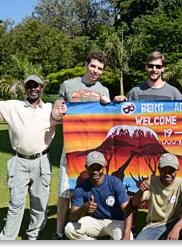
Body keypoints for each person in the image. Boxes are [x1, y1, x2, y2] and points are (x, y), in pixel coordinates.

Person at [0, 72, 67, 240]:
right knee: (16, 203)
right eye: (29, 86)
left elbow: (74, 116)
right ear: (25, 88)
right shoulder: (13, 106)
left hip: (41, 162)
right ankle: (7, 239)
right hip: (19, 161)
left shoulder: (49, 109)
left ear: (41, 88)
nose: (33, 89)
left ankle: (33, 236)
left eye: (36, 85)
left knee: (39, 204)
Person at [53, 51, 111, 240]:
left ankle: (85, 227)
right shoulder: (68, 85)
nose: (95, 71)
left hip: (94, 150)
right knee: (64, 192)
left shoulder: (103, 90)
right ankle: (59, 232)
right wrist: (59, 110)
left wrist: (108, 105)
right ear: (86, 64)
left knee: (91, 189)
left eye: (100, 69)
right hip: (71, 148)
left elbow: (108, 118)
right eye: (93, 66)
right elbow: (56, 111)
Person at [64, 150, 133, 240]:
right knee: (69, 229)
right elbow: (73, 217)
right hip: (94, 221)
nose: (95, 171)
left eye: (98, 168)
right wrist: (84, 207)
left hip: (115, 222)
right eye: (92, 168)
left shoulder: (115, 182)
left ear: (104, 167)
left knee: (129, 239)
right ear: (86, 168)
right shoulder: (81, 186)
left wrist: (126, 234)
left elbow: (127, 210)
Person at [132, 153, 182, 240]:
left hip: (175, 221)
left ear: (177, 170)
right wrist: (141, 190)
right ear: (159, 169)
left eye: (171, 170)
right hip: (154, 225)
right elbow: (135, 202)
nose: (167, 174)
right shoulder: (151, 182)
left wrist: (176, 228)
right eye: (164, 170)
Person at [113, 51, 182, 102]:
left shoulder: (174, 93)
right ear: (146, 67)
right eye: (151, 66)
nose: (154, 69)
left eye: (158, 66)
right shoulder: (135, 92)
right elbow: (122, 115)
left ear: (163, 69)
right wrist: (117, 102)